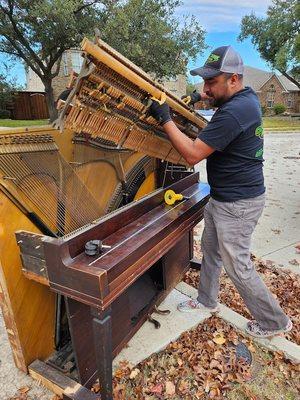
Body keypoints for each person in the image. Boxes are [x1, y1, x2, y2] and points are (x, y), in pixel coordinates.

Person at [149, 45, 292, 338]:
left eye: (212, 82)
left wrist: (165, 118)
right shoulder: (246, 97)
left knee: (237, 266)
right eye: (205, 82)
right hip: (226, 197)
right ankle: (206, 300)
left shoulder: (234, 112)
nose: (206, 88)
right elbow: (216, 99)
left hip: (238, 205)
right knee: (211, 252)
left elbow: (191, 154)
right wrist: (199, 96)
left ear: (234, 80)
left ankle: (275, 322)